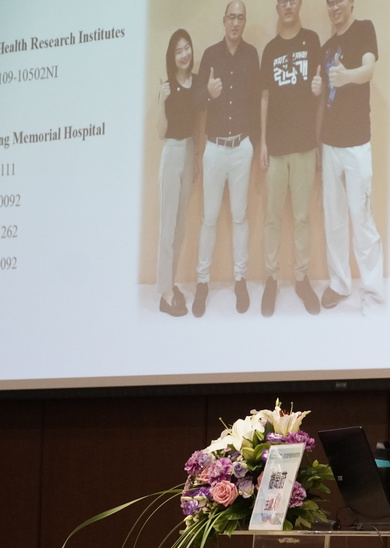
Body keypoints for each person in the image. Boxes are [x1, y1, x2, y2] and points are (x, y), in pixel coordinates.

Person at [313, 0, 385, 313]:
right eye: (329, 3)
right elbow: (323, 89)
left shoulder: (364, 29)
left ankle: (372, 292)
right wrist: (318, 86)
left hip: (357, 144)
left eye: (339, 1)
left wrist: (347, 76)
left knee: (363, 220)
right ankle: (340, 284)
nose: (334, 6)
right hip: (329, 144)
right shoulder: (326, 46)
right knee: (334, 220)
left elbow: (369, 71)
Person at [193, 0, 261, 317]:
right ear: (224, 20)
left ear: (244, 22)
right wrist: (208, 92)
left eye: (240, 18)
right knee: (208, 217)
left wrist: (257, 145)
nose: (236, 22)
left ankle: (240, 280)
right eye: (231, 17)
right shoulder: (209, 55)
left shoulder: (251, 55)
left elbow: (257, 102)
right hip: (215, 148)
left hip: (241, 148)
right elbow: (195, 100)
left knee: (239, 216)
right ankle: (202, 282)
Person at [259, 0, 322, 316]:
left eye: (292, 0)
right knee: (271, 217)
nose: (287, 5)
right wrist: (262, 142)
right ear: (276, 6)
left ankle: (301, 278)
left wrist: (318, 89)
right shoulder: (269, 49)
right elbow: (265, 97)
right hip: (276, 146)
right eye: (281, 1)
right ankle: (271, 279)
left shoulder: (312, 40)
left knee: (302, 217)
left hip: (305, 146)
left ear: (299, 4)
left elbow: (320, 90)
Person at [157, 29, 199, 317]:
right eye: (178, 50)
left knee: (181, 226)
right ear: (172, 57)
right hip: (171, 151)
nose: (184, 54)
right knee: (167, 226)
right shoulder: (167, 86)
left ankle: (170, 283)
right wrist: (161, 101)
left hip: (189, 150)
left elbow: (197, 123)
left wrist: (196, 156)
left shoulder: (196, 83)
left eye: (187, 48)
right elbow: (161, 132)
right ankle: (164, 292)